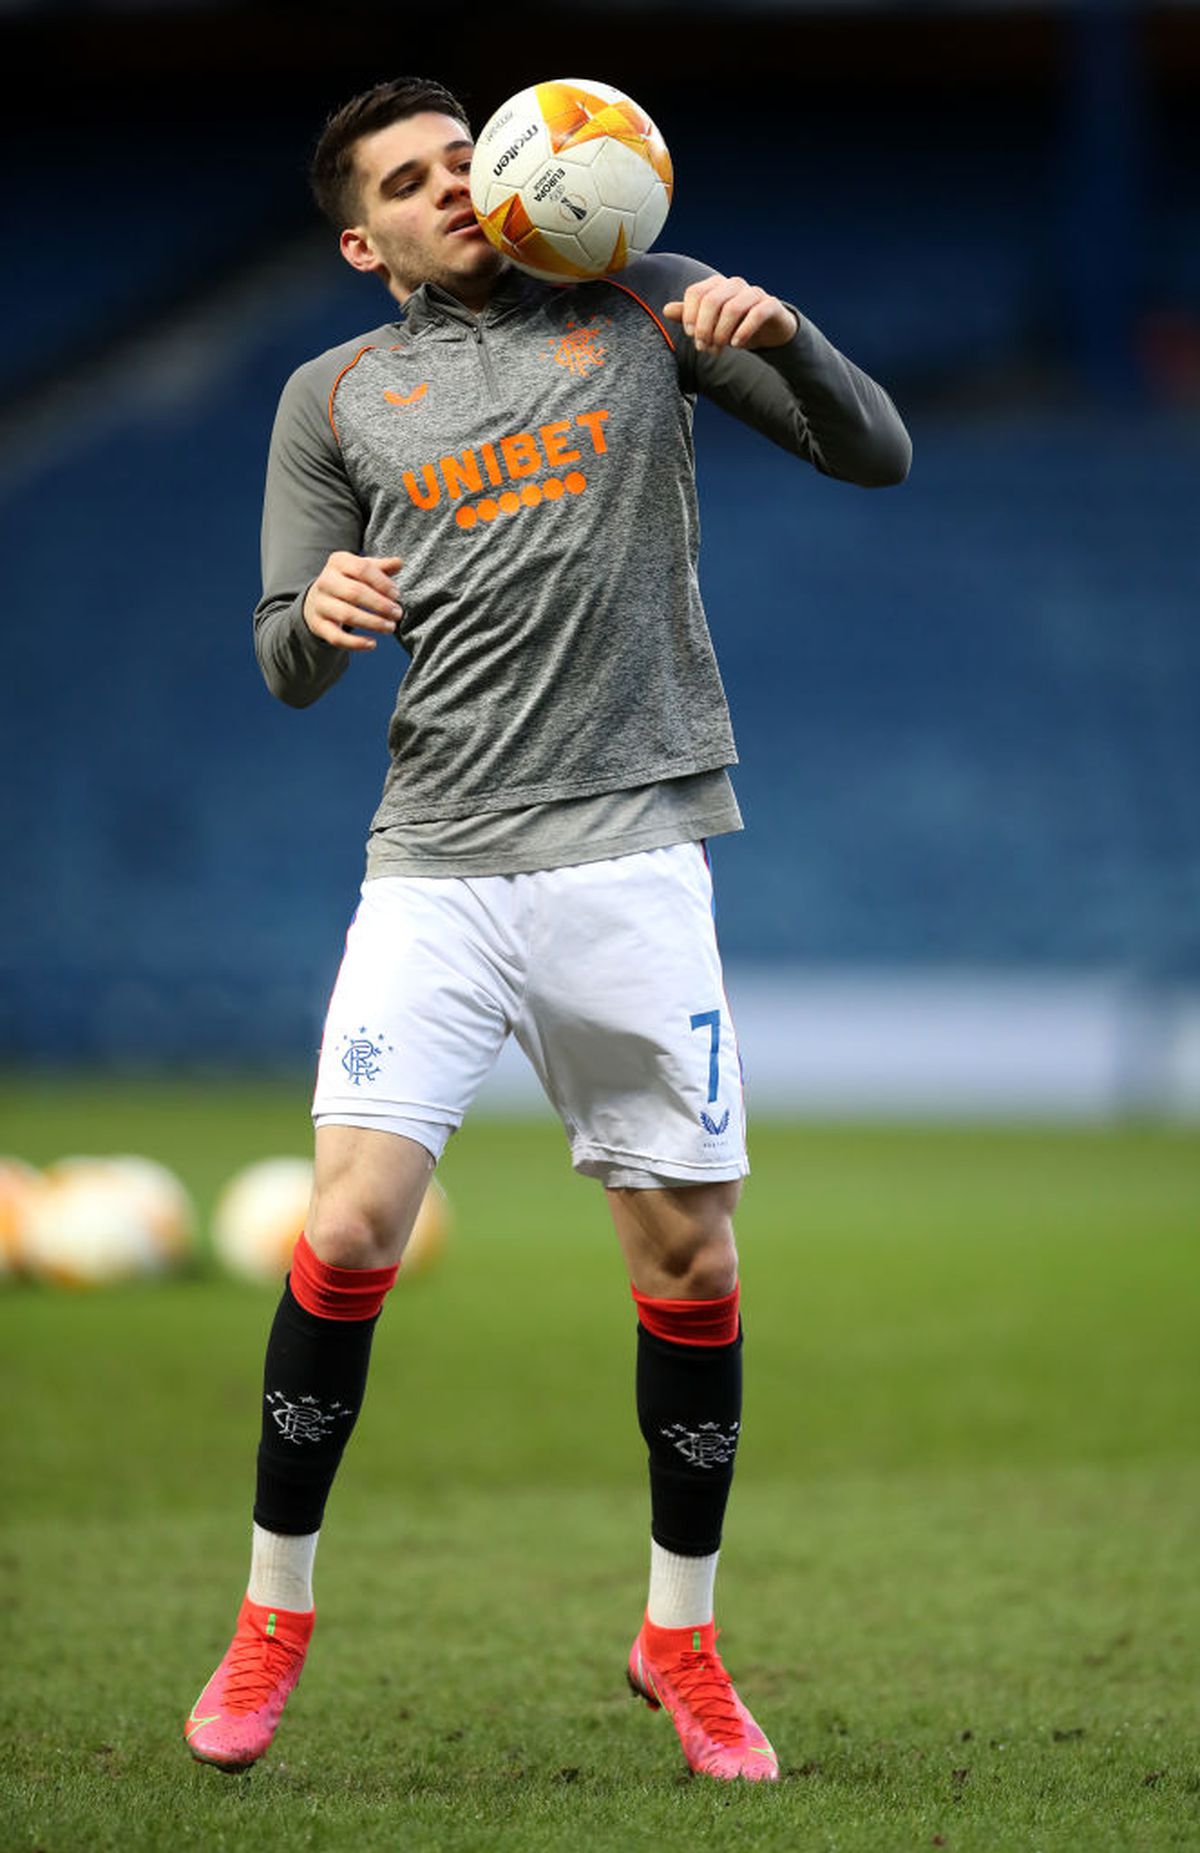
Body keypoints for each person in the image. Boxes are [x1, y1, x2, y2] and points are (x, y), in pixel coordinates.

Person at [184, 75, 910, 1784]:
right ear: (367, 242)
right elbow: (284, 655)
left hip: (632, 855)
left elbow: (873, 451)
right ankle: (273, 1613)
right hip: (432, 868)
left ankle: (684, 1637)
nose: (456, 188)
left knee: (691, 1263)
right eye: (413, 182)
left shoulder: (648, 302)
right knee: (352, 1224)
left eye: (466, 158)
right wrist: (326, 611)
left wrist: (786, 335)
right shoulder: (334, 396)